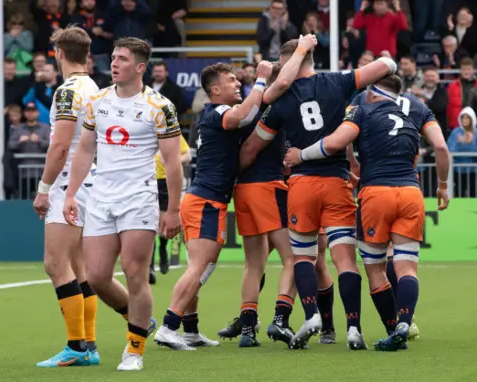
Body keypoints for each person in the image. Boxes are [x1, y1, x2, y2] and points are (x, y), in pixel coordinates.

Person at [238, 38, 397, 350]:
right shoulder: (338, 82)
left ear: (287, 63)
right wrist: (388, 60)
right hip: (336, 182)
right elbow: (386, 66)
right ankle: (354, 328)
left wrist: (230, 173)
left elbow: (252, 148)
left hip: (301, 184)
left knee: (304, 257)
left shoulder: (280, 102)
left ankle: (311, 314)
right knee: (345, 260)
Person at [283, 74, 450, 351]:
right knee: (407, 266)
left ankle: (383, 325)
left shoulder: (363, 108)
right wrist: (443, 186)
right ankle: (404, 323)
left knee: (375, 269)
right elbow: (442, 147)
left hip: (376, 195)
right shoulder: (418, 106)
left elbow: (336, 142)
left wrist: (301, 156)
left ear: (373, 90)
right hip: (411, 192)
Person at [63, 37, 182, 371]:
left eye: (123, 59)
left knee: (134, 273)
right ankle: (140, 318)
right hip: (100, 197)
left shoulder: (159, 106)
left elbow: (173, 163)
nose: (114, 63)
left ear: (140, 67)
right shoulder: (97, 101)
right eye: (113, 58)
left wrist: (172, 209)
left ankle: (134, 349)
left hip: (138, 199)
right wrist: (71, 193)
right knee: (97, 277)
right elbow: (85, 149)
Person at [153, 60, 274, 351]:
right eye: (232, 80)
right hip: (206, 201)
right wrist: (261, 80)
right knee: (199, 266)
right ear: (215, 90)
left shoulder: (211, 114)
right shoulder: (220, 111)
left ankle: (190, 330)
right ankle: (169, 327)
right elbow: (243, 116)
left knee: (201, 267)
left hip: (201, 199)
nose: (237, 84)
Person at [214, 35, 317, 347]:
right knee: (296, 257)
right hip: (267, 187)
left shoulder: (245, 107)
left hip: (245, 190)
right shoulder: (273, 102)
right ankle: (280, 319)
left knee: (254, 264)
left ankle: (247, 329)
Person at [31, 26, 101, 368]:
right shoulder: (93, 87)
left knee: (55, 263)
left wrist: (44, 190)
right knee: (78, 266)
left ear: (59, 54)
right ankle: (88, 345)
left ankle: (76, 346)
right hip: (90, 183)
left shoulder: (68, 91)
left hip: (67, 185)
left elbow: (60, 145)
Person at [151, 134, 191, 281]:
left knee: (162, 224)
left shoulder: (171, 132)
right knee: (147, 223)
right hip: (145, 180)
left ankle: (162, 248)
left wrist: (174, 160)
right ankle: (149, 268)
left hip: (165, 182)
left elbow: (187, 155)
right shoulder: (142, 130)